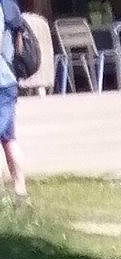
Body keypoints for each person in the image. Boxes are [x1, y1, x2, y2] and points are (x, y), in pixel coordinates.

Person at [0, 0, 29, 204]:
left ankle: (16, 191)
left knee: (7, 138)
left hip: (1, 82)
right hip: (8, 80)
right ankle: (20, 191)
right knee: (8, 138)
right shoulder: (10, 6)